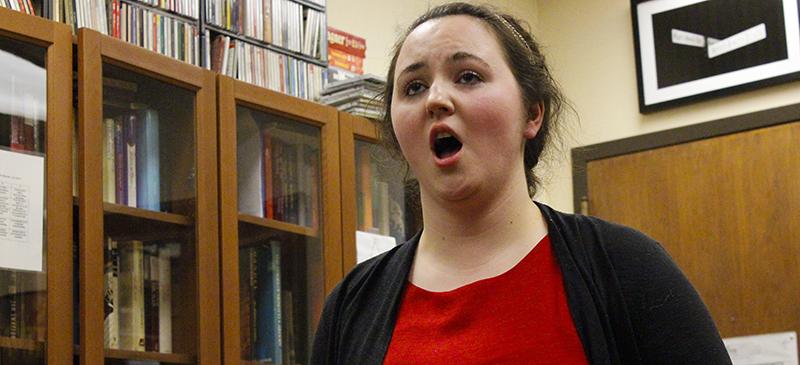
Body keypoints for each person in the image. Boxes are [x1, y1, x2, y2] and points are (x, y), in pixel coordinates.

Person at [312, 2, 732, 364]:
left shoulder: (628, 268)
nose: (436, 99)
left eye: (468, 76)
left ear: (532, 113)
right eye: (414, 86)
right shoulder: (352, 306)